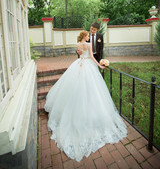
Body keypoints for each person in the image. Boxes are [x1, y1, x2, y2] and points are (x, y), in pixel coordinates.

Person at [44, 31, 127, 162]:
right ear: (85, 36)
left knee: (74, 88)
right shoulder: (88, 44)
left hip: (78, 65)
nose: (89, 37)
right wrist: (99, 64)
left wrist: (81, 54)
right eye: (88, 35)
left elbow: (79, 54)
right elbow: (92, 57)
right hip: (88, 66)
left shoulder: (78, 43)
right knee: (92, 89)